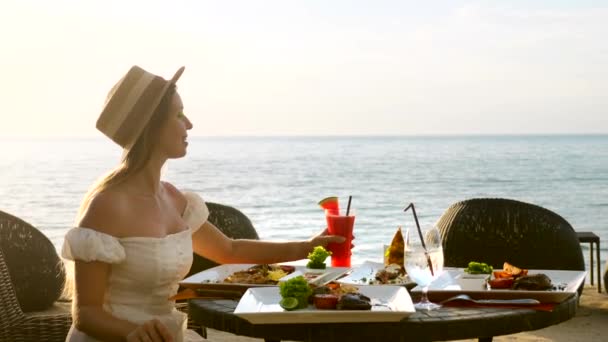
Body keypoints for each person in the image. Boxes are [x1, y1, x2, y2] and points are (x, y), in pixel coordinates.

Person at [61, 65, 346, 342]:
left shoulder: (174, 199)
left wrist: (308, 246)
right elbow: (86, 314)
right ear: (151, 127)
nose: (189, 124)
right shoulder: (108, 206)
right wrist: (131, 332)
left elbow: (230, 249)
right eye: (179, 115)